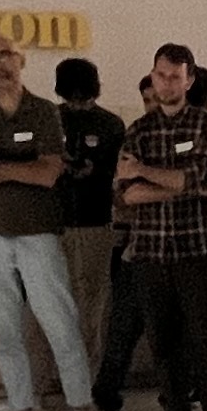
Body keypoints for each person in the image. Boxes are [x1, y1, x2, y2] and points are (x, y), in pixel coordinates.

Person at [0, 35, 106, 411]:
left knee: (61, 323)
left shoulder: (42, 112)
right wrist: (10, 167)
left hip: (37, 231)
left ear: (20, 60)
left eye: (5, 56)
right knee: (4, 330)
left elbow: (47, 174)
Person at [115, 42, 207, 411]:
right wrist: (175, 183)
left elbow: (198, 176)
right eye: (160, 75)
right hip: (150, 253)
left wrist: (146, 174)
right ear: (153, 77)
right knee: (163, 341)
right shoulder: (137, 130)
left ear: (189, 80)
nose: (167, 82)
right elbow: (126, 195)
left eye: (175, 75)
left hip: (193, 250)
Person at [52, 52, 125, 376]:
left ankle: (89, 376)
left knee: (93, 303)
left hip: (96, 221)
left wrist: (95, 169)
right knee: (55, 302)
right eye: (73, 97)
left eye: (84, 97)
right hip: (56, 222)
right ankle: (55, 376)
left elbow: (120, 172)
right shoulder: (51, 119)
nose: (79, 104)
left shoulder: (110, 124)